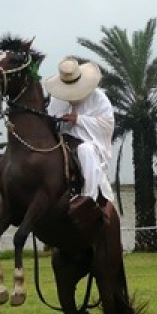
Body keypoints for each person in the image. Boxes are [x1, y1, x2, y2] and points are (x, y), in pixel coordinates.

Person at [43, 57, 115, 212]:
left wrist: (79, 120)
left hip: (88, 141)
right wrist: (59, 121)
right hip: (61, 140)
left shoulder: (99, 98)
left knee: (86, 151)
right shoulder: (56, 99)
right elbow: (50, 120)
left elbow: (106, 124)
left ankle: (89, 197)